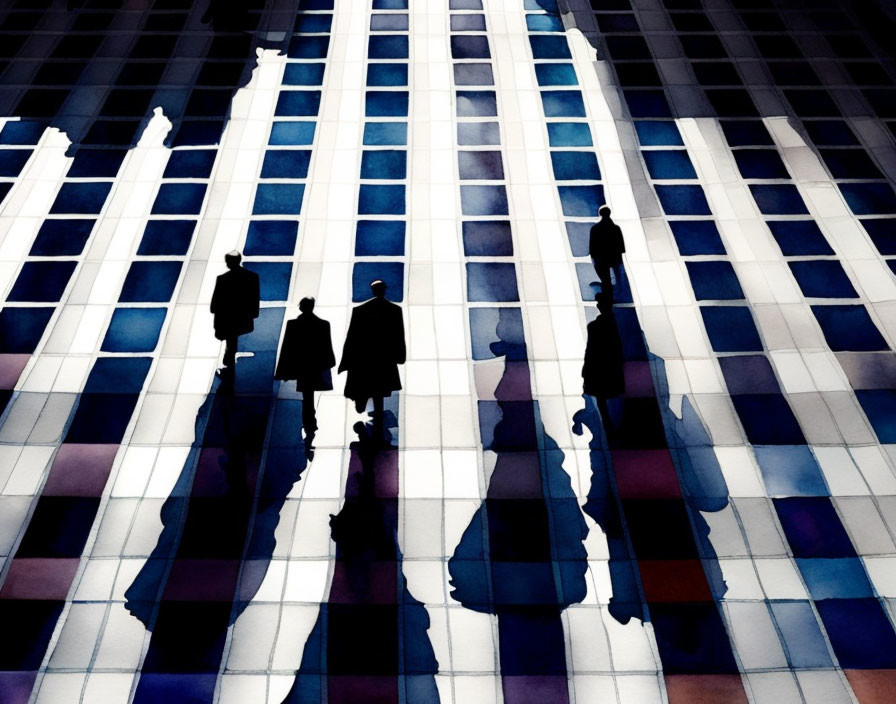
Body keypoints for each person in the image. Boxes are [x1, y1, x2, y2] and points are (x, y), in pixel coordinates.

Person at [338, 279, 406, 425]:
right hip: (385, 357)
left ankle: (364, 403)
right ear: (384, 290)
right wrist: (400, 355)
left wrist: (346, 361)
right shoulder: (394, 310)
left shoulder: (360, 310)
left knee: (370, 385)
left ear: (372, 291)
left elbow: (352, 337)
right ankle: (379, 417)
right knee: (380, 389)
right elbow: (398, 335)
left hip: (365, 357)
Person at [275, 297, 335, 436]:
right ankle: (310, 419)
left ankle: (308, 419)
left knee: (307, 393)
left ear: (301, 307)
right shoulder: (323, 324)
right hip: (316, 365)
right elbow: (327, 347)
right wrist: (329, 363)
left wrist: (283, 370)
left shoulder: (293, 324)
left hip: (301, 365)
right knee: (309, 393)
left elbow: (287, 349)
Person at [582, 292, 625, 435]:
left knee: (601, 396)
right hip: (609, 364)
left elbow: (591, 349)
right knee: (610, 394)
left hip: (600, 365)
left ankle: (608, 423)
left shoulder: (595, 326)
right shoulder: (616, 324)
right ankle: (611, 423)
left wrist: (586, 368)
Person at [210, 250, 260, 369]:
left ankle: (229, 359)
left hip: (227, 317)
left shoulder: (223, 279)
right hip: (242, 315)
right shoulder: (252, 277)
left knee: (231, 338)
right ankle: (229, 357)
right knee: (233, 338)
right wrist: (253, 313)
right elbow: (254, 296)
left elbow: (217, 300)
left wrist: (214, 311)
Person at [589, 205, 626, 298]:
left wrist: (595, 257)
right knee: (615, 277)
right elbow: (621, 247)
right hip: (614, 257)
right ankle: (615, 293)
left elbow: (592, 247)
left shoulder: (595, 228)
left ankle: (608, 294)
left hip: (601, 258)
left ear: (600, 214)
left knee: (605, 279)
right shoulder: (616, 228)